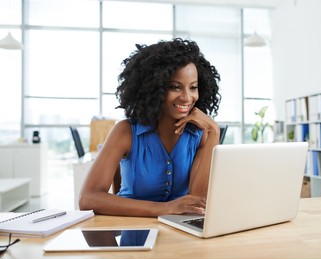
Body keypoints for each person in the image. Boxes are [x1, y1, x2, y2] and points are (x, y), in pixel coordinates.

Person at [79, 38, 221, 217]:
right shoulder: (125, 132)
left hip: (179, 232)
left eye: (193, 87)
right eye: (175, 87)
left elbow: (198, 202)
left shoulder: (199, 135)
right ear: (154, 88)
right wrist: (164, 209)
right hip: (131, 229)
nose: (187, 97)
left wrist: (214, 133)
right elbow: (88, 198)